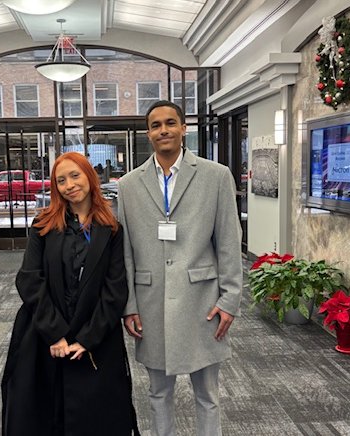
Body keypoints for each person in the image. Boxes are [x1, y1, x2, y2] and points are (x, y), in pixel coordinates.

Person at [118, 100, 243, 436]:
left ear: (183, 128)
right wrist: (129, 305)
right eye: (156, 125)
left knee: (208, 395)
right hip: (150, 304)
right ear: (148, 133)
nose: (164, 130)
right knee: (158, 393)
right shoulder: (129, 185)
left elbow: (229, 241)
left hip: (203, 302)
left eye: (170, 123)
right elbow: (125, 251)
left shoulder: (215, 176)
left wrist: (230, 299)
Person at [1, 152, 139, 436]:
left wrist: (87, 339)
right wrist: (56, 334)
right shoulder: (43, 225)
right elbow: (29, 280)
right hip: (45, 335)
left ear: (90, 176)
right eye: (60, 180)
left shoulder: (111, 229)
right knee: (42, 416)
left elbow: (115, 289)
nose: (69, 185)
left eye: (75, 175)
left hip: (95, 338)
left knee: (97, 418)